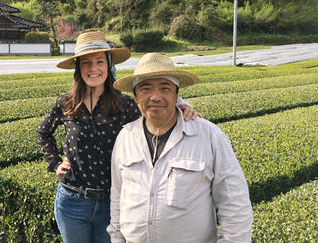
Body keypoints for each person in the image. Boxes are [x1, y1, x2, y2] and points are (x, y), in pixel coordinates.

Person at [36, 31, 200, 243]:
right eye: (86, 63)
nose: (93, 69)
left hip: (111, 202)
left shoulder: (125, 105)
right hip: (72, 201)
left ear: (108, 65)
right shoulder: (65, 103)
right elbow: (43, 131)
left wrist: (181, 106)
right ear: (78, 68)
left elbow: (154, 108)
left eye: (99, 61)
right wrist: (54, 162)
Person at [107, 52, 253, 243]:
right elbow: (118, 197)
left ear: (177, 94)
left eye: (165, 88)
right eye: (146, 88)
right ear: (135, 96)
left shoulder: (208, 135)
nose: (155, 96)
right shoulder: (126, 137)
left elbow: (235, 202)